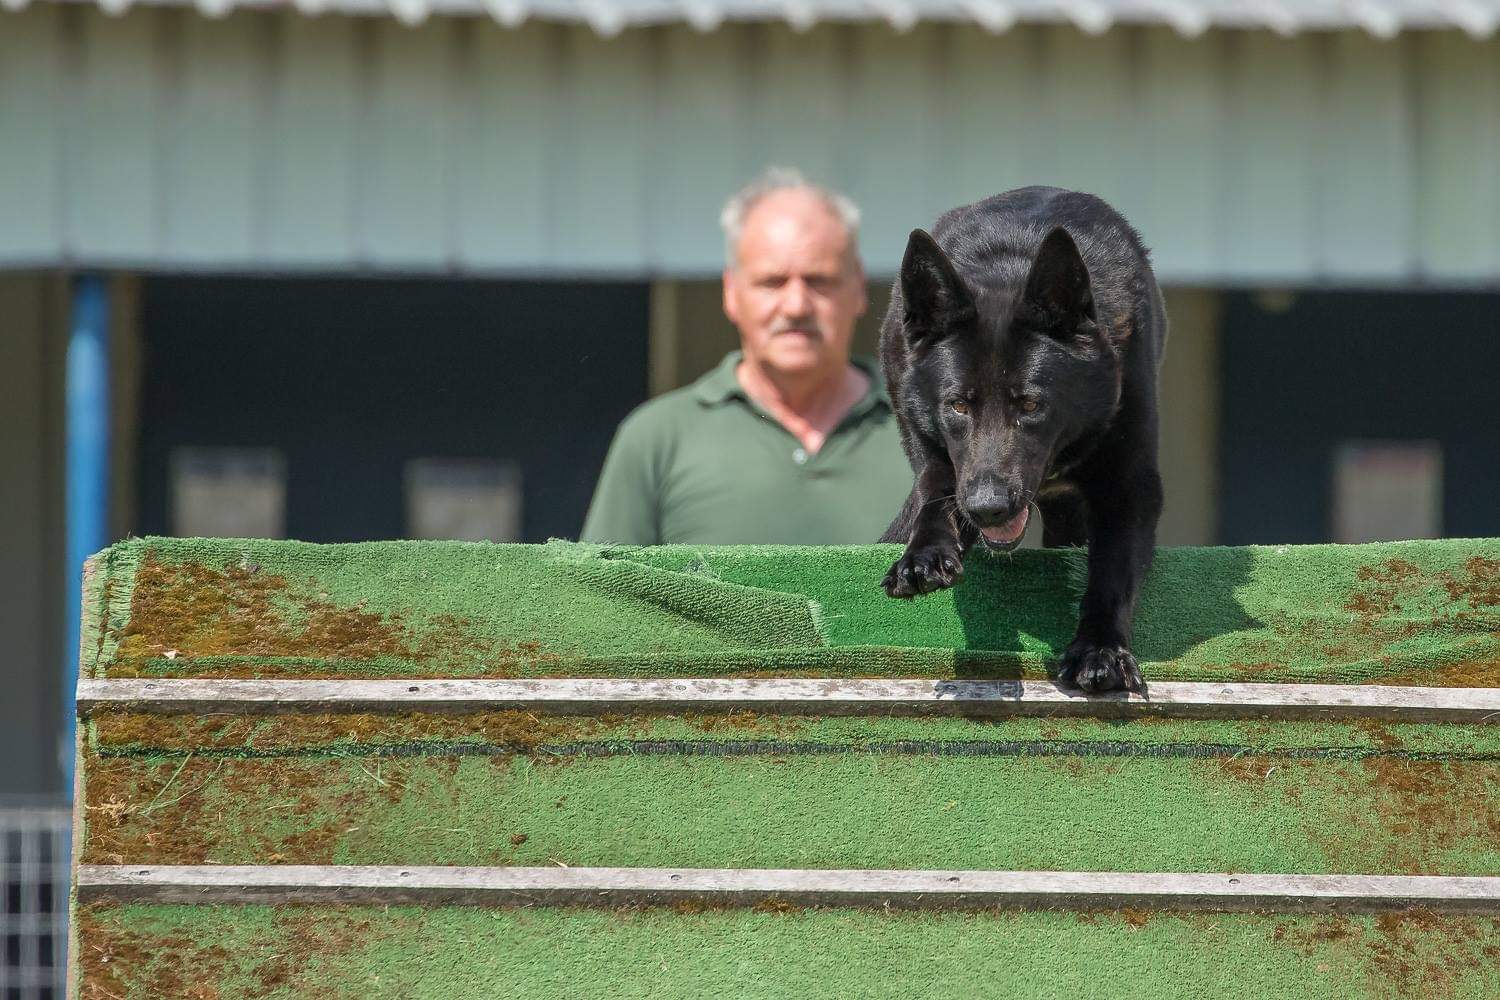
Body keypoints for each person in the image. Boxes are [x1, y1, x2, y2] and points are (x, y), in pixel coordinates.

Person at [581, 168, 911, 545]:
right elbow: (597, 596)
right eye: (772, 282)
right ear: (731, 292)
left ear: (858, 289)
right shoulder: (656, 440)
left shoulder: (930, 429)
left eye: (819, 281)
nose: (796, 305)